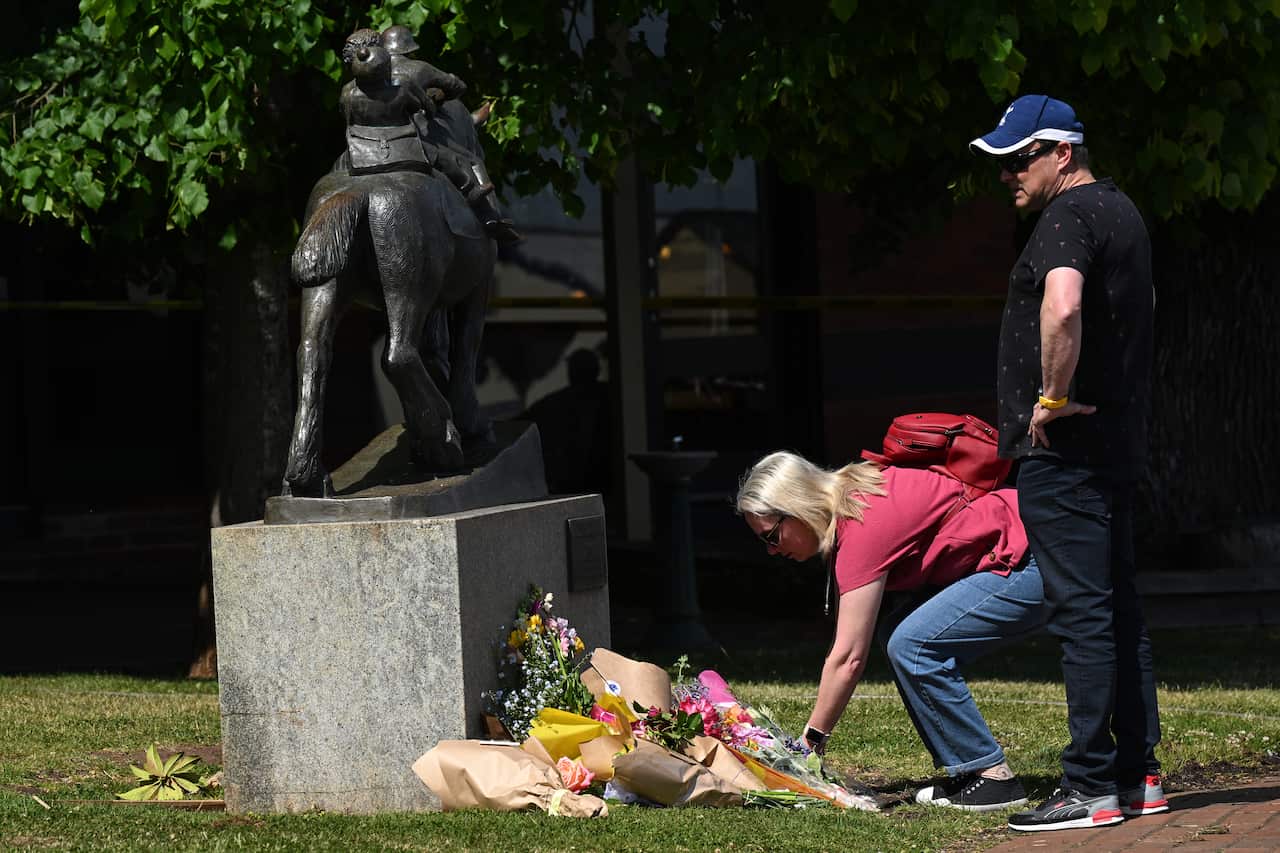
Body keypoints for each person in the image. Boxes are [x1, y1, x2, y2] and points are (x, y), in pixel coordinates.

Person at [969, 94, 1164, 832]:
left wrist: (1049, 398)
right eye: (1002, 162)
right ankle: (1138, 773)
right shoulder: (1124, 213)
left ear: (1062, 153)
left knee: (1083, 614)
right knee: (1119, 607)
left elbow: (1063, 306)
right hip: (1114, 442)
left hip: (1067, 452)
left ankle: (1088, 787)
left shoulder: (1066, 218)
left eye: (1020, 160)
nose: (1007, 175)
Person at [736, 451, 1046, 812]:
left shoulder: (861, 523)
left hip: (1035, 558)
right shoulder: (857, 494)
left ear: (798, 505)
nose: (772, 550)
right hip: (1033, 540)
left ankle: (991, 778)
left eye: (772, 535)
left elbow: (849, 656)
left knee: (913, 645)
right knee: (898, 631)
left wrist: (810, 745)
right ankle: (968, 773)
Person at [381, 25, 520, 242]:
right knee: (473, 161)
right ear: (409, 49)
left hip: (373, 143)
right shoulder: (420, 69)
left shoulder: (373, 76)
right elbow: (458, 86)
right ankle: (490, 218)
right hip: (415, 139)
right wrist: (441, 91)